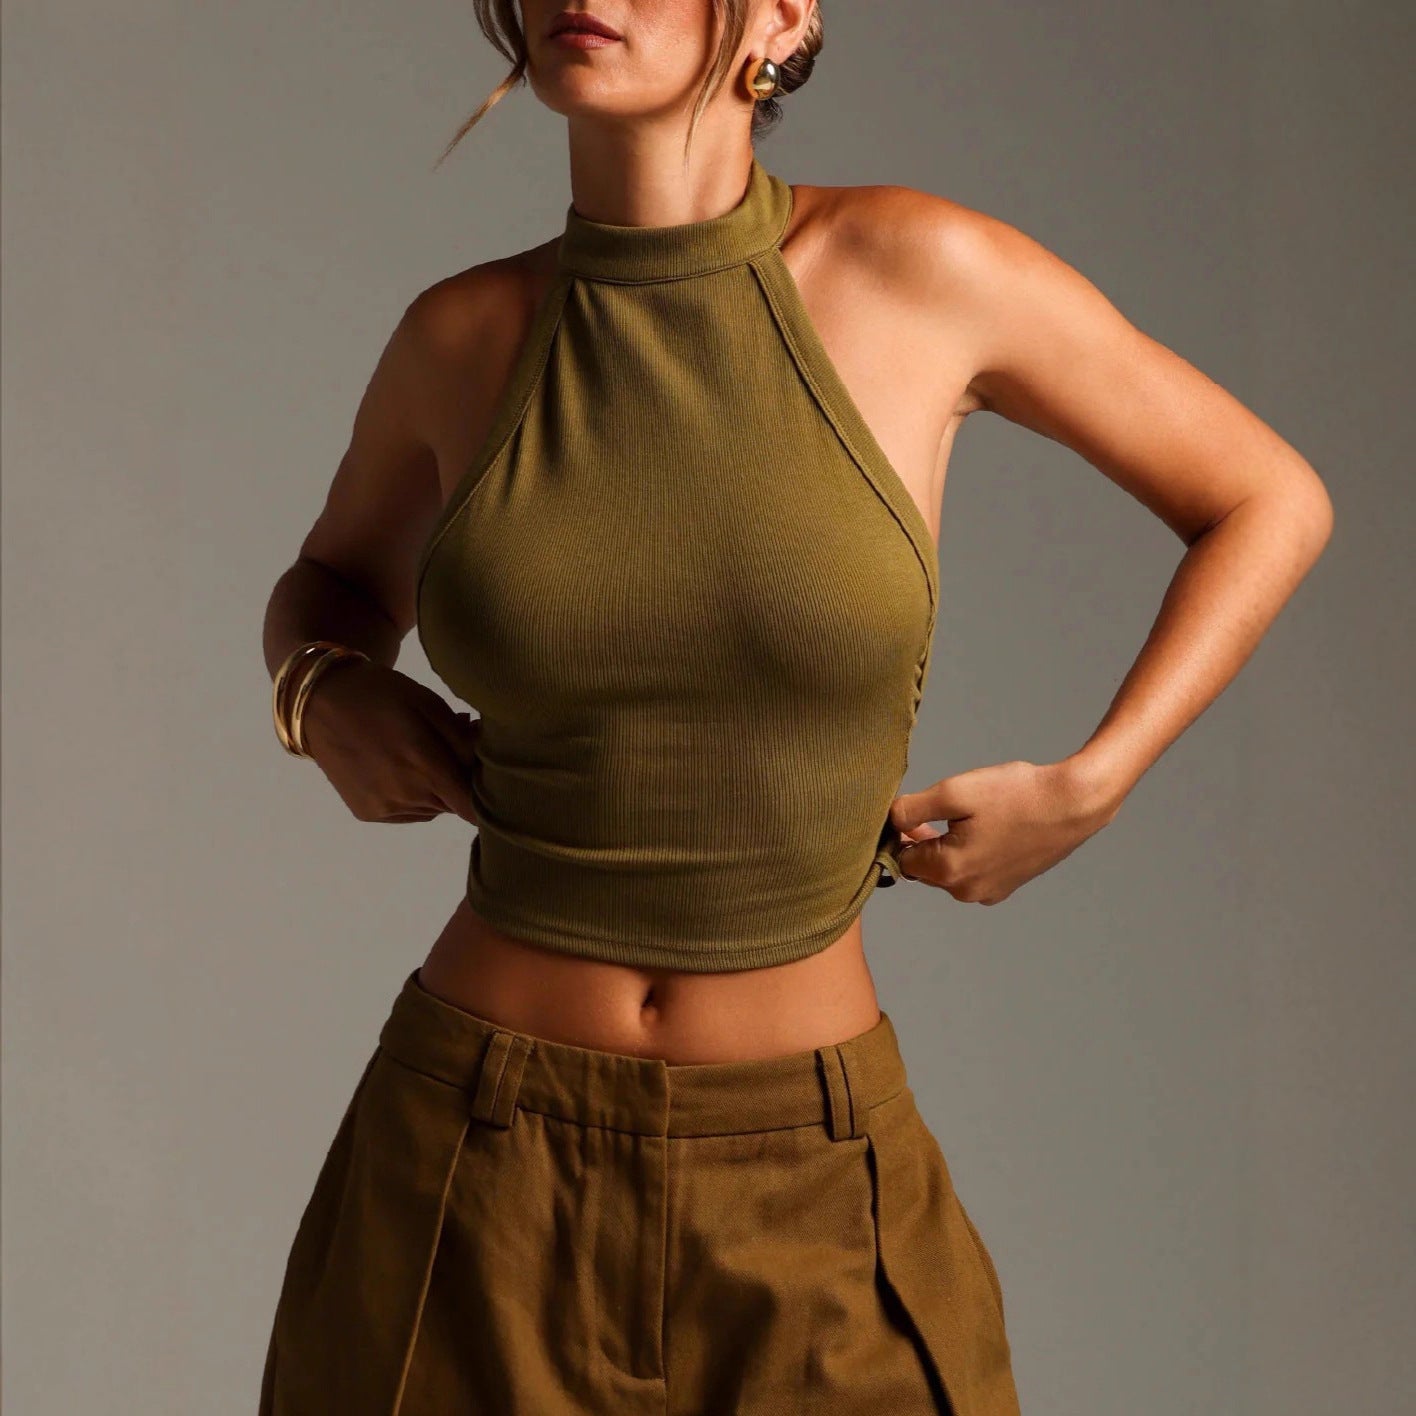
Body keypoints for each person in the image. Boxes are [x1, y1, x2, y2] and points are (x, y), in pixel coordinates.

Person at [256, 2, 1334, 1413]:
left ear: (785, 10)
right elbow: (331, 585)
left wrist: (1093, 784)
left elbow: (1267, 498)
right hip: (469, 1172)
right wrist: (320, 688)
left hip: (813, 1186)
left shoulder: (919, 270)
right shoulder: (459, 337)